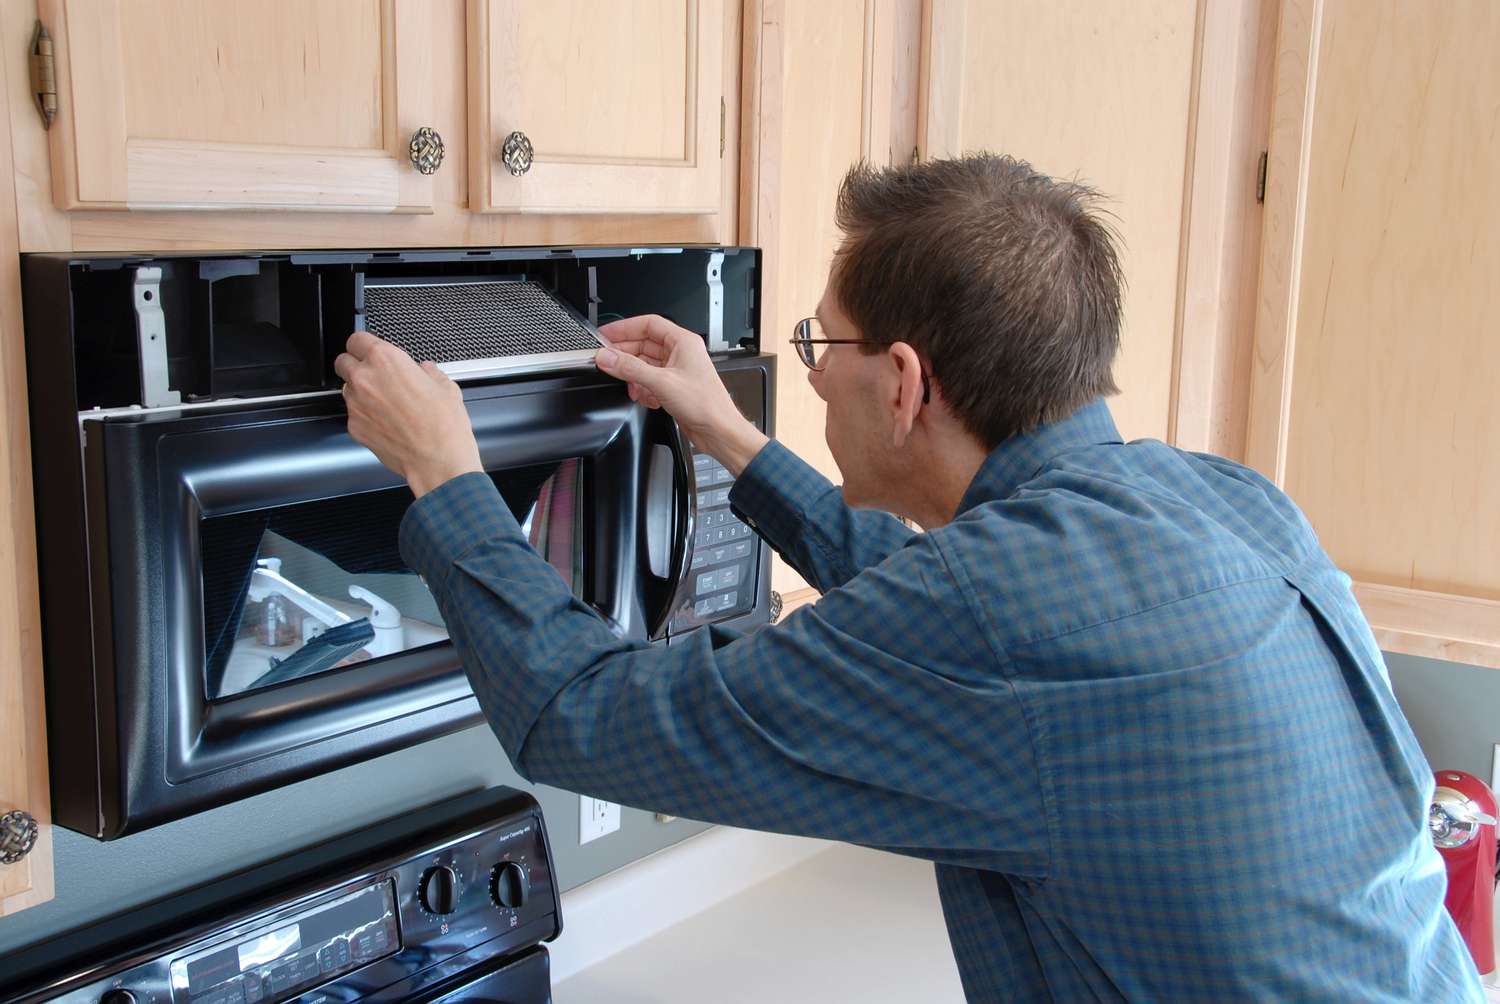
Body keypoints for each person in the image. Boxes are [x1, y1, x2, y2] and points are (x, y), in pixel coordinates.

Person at [335, 154, 1481, 1002]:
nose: (813, 374)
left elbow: (583, 716)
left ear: (903, 382)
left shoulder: (996, 611)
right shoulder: (1216, 498)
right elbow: (960, 615)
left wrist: (446, 478)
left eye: (818, 345)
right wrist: (733, 436)